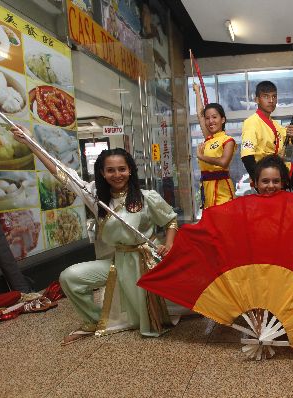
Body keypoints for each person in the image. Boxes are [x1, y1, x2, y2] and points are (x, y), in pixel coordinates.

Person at [10, 126, 181, 345]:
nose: (117, 175)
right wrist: (30, 143)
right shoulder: (96, 197)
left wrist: (168, 245)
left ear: (130, 171)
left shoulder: (147, 197)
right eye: (110, 170)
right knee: (69, 277)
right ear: (102, 172)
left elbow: (170, 220)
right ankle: (95, 320)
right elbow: (62, 174)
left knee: (180, 304)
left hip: (145, 263)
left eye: (122, 169)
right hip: (116, 262)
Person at [241, 81, 293, 199]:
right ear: (257, 100)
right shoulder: (251, 122)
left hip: (282, 169)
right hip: (266, 173)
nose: (271, 100)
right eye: (266, 96)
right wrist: (258, 181)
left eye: (274, 96)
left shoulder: (275, 124)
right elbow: (247, 157)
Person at [193, 83, 236, 208]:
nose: (210, 121)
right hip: (207, 188)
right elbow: (199, 115)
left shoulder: (228, 140)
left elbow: (224, 162)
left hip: (222, 189)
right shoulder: (208, 138)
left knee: (224, 223)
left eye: (214, 117)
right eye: (208, 118)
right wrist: (197, 92)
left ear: (222, 119)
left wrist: (202, 156)